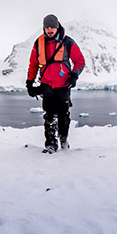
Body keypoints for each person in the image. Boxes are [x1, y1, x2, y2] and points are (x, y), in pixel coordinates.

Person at [26, 14, 85, 153]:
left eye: (52, 27)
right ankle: (51, 145)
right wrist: (29, 81)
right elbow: (33, 64)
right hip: (47, 85)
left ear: (57, 27)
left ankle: (63, 138)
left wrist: (74, 75)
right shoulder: (38, 43)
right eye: (47, 27)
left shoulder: (67, 42)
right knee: (49, 116)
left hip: (63, 85)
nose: (50, 30)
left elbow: (80, 61)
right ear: (44, 28)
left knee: (63, 115)